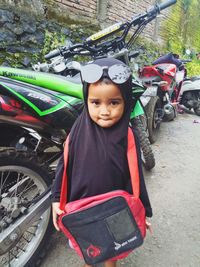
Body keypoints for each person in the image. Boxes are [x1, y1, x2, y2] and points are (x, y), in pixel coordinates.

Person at [51, 58, 153, 267]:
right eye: (95, 103)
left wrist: (141, 212)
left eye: (114, 102)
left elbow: (135, 176)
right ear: (87, 99)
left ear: (125, 101)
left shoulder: (127, 135)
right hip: (81, 206)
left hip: (114, 209)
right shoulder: (77, 132)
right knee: (89, 249)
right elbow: (64, 165)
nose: (104, 111)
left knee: (113, 248)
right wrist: (56, 200)